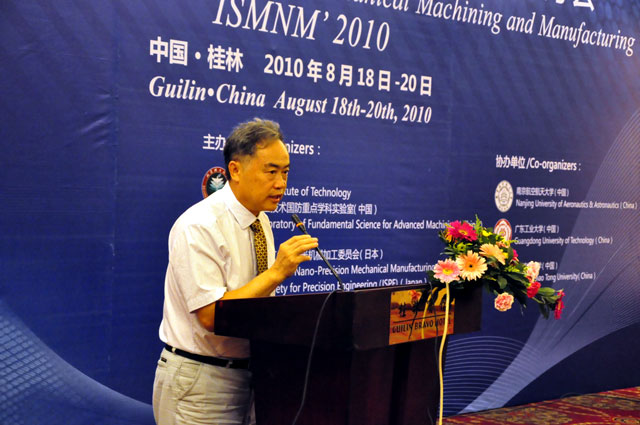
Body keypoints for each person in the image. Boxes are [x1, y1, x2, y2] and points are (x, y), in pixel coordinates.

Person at [152, 118, 318, 425]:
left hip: (253, 377)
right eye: (271, 171)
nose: (281, 183)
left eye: (285, 172)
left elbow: (257, 303)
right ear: (236, 170)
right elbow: (211, 315)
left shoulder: (260, 221)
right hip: (201, 382)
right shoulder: (200, 225)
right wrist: (276, 273)